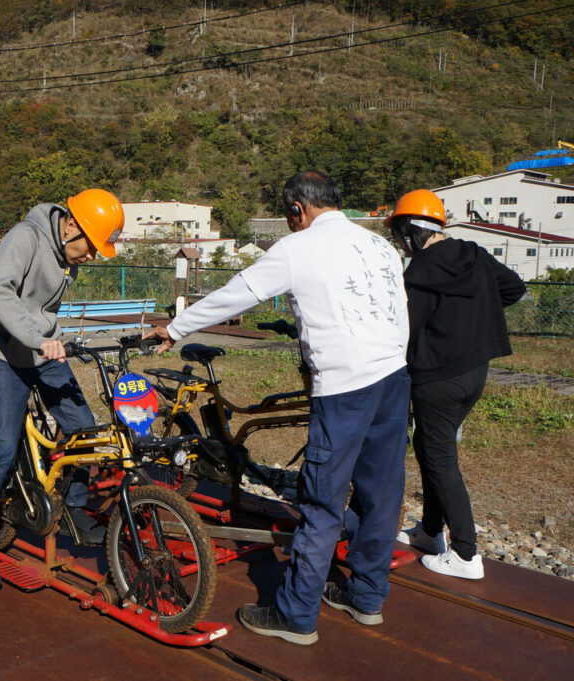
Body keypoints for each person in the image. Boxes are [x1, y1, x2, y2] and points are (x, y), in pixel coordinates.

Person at [145, 171, 410, 645]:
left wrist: (176, 328)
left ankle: (296, 616)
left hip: (345, 385)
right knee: (382, 493)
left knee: (322, 502)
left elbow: (236, 295)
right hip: (393, 378)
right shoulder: (380, 246)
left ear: (297, 210)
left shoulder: (299, 247)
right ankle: (367, 598)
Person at [0, 188, 124, 592]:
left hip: (44, 351)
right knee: (2, 446)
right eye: (92, 245)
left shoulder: (66, 256)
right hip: (3, 352)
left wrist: (51, 339)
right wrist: (35, 337)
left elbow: (44, 310)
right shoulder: (25, 237)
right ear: (70, 226)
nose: (93, 256)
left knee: (86, 429)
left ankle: (73, 507)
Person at [389, 189, 526, 580]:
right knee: (431, 447)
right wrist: (474, 316)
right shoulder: (475, 255)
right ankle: (431, 532)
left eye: (400, 233)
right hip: (474, 372)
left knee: (440, 457)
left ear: (411, 230)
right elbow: (513, 289)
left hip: (436, 379)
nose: (401, 242)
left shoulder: (418, 272)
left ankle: (466, 554)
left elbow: (404, 329)